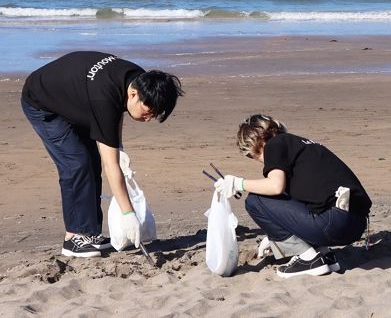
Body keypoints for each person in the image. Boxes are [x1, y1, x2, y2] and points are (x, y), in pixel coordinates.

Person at [21, 51, 183, 258]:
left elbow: (115, 112)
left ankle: (88, 234)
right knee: (77, 163)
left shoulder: (140, 80)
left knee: (91, 162)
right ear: (134, 95)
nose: (149, 118)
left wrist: (119, 146)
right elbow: (111, 165)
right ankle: (73, 238)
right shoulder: (105, 98)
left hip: (77, 99)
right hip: (43, 103)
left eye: (154, 114)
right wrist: (128, 213)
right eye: (148, 111)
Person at [215, 114, 372, 278]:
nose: (256, 160)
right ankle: (323, 254)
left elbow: (275, 187)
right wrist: (275, 236)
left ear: (256, 143)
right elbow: (298, 201)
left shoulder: (274, 145)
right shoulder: (300, 145)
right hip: (355, 224)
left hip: (333, 223)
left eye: (251, 155)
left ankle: (309, 259)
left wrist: (237, 183)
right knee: (287, 197)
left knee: (255, 201)